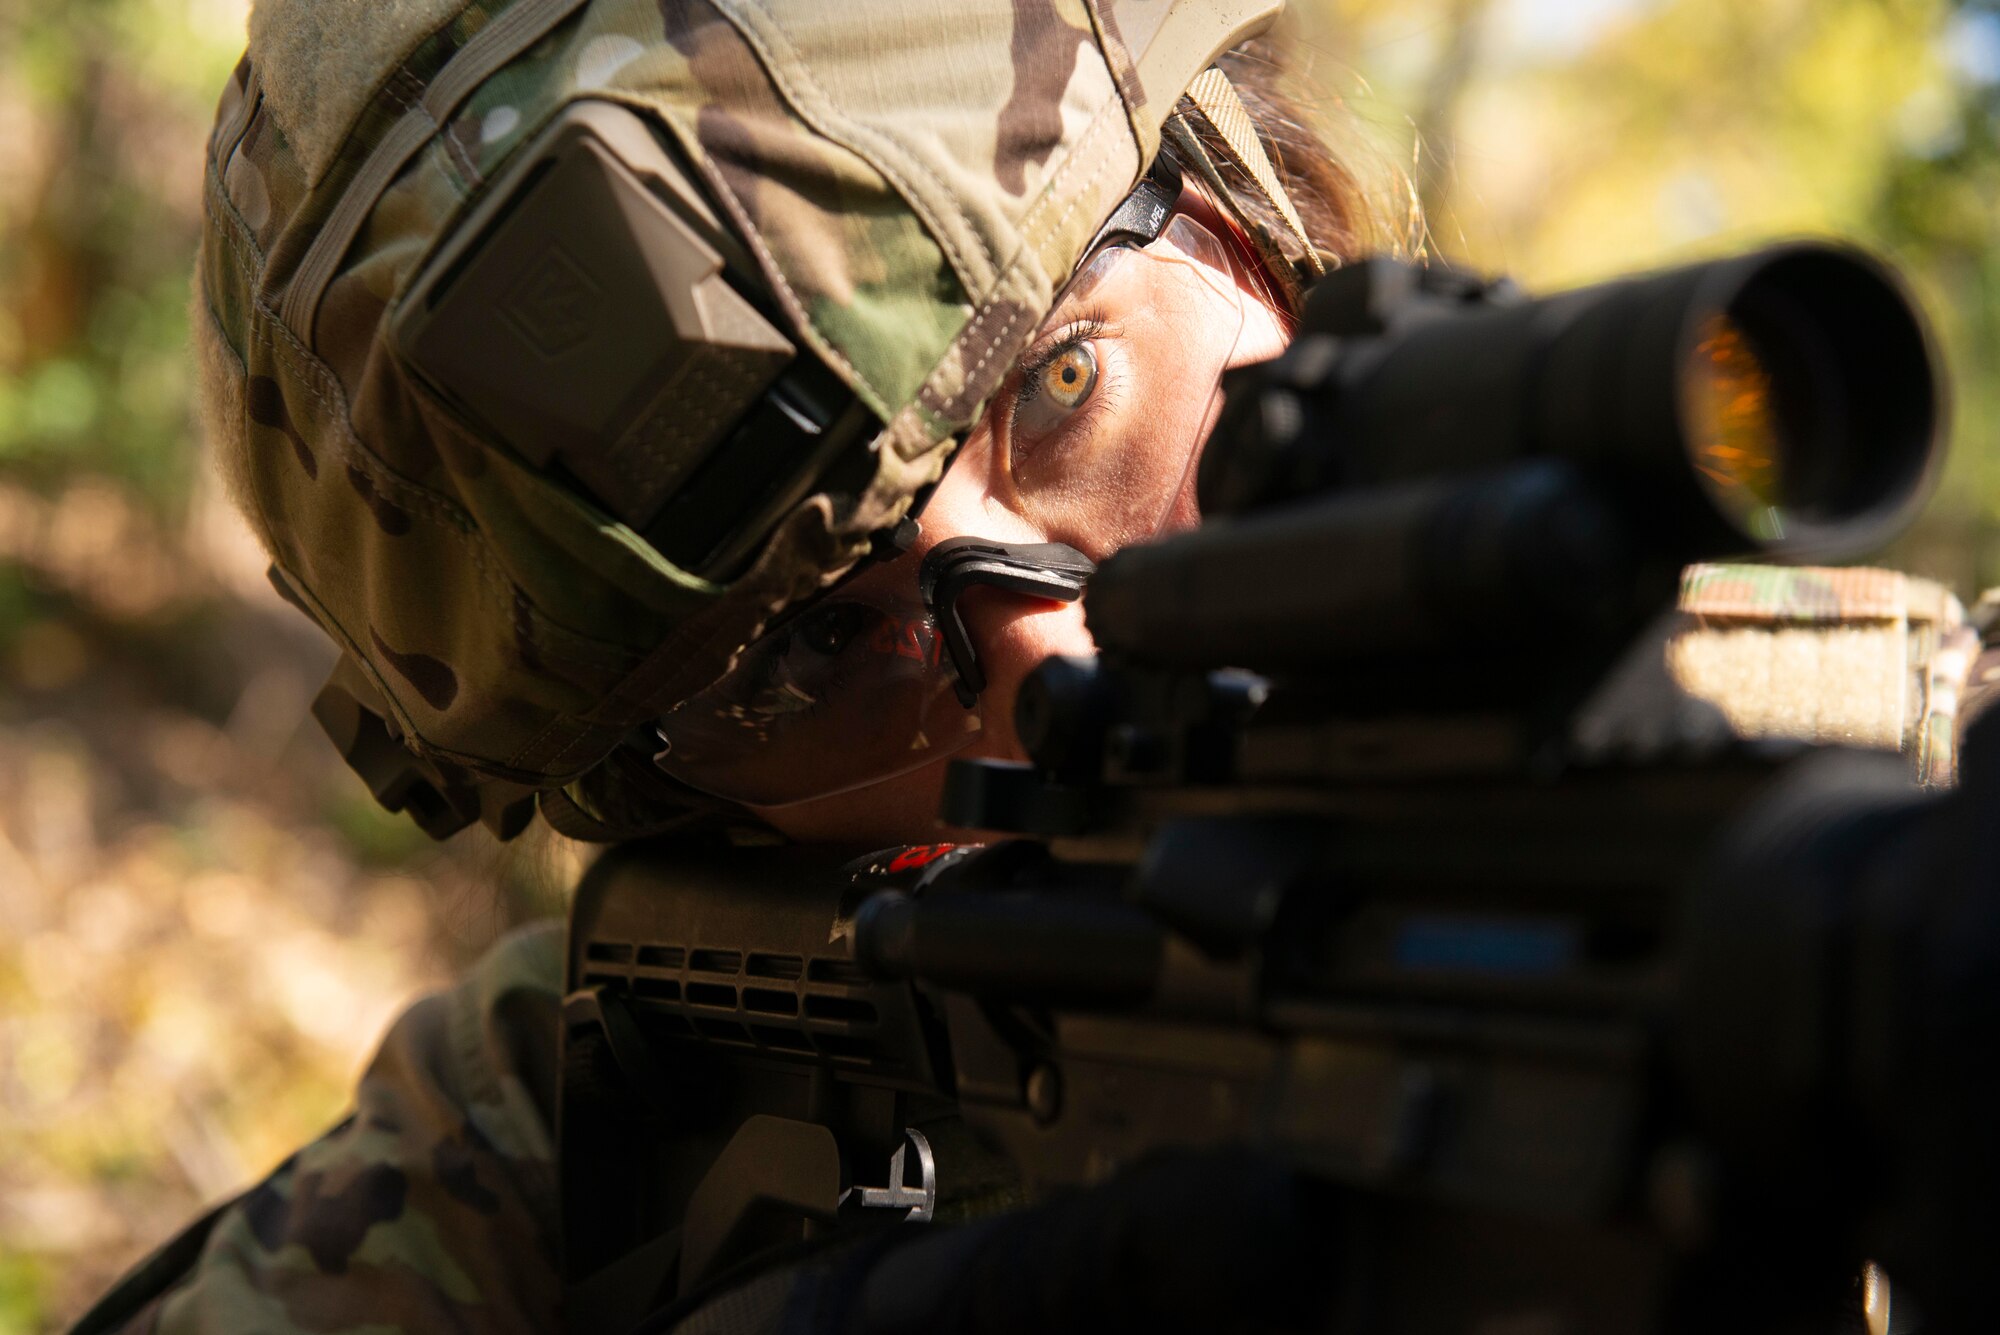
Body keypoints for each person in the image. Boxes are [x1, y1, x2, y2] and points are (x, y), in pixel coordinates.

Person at [70, 0, 1989, 1330]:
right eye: (806, 653)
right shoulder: (567, 1122)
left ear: (1253, 203)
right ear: (667, 796)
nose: (1047, 648)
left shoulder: (1891, 788)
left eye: (1064, 385)